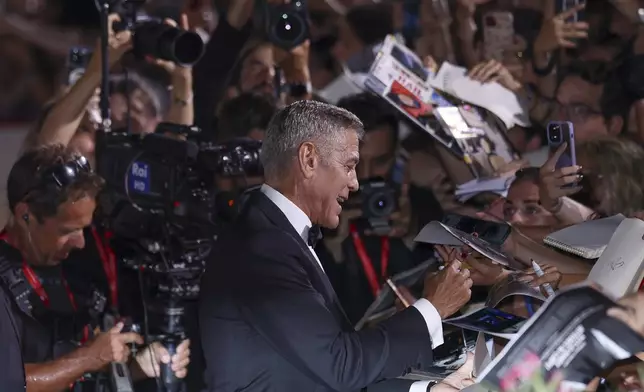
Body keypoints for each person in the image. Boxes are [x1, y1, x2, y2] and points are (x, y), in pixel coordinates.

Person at [199, 100, 474, 392]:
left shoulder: (273, 233)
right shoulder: (263, 246)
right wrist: (432, 308)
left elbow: (317, 372)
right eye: (350, 165)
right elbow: (341, 366)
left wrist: (427, 389)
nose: (356, 183)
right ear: (309, 159)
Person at [1, 145, 190, 391]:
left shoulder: (76, 267)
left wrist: (139, 366)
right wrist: (88, 358)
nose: (80, 242)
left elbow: (78, 370)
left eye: (84, 229)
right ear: (25, 215)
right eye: (67, 231)